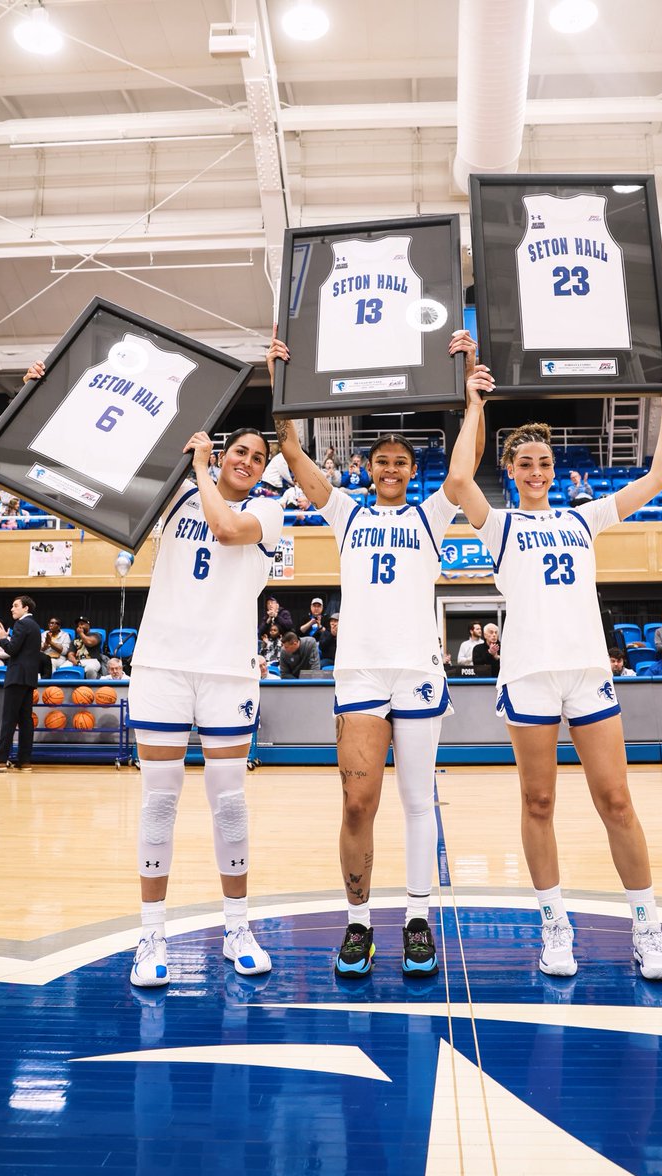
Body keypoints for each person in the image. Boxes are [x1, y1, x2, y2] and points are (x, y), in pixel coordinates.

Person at [446, 352, 662, 982]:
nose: (535, 471)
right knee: (539, 799)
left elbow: (659, 475)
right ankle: (554, 922)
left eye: (544, 463)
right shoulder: (496, 525)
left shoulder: (586, 517)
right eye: (524, 464)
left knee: (615, 799)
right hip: (529, 675)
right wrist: (474, 403)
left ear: (556, 470)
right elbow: (455, 484)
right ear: (510, 471)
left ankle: (647, 926)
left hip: (586, 672)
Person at [269, 328, 481, 979]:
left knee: (419, 801)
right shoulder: (348, 515)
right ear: (369, 469)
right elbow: (295, 456)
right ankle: (358, 925)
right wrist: (279, 381)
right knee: (358, 803)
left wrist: (473, 395)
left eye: (400, 463)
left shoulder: (429, 517)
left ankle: (417, 920)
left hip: (416, 670)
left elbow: (463, 472)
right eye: (381, 462)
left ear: (411, 473)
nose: (390, 470)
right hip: (360, 671)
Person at [125, 426, 282, 987]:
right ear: (223, 454)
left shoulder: (270, 511)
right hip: (163, 666)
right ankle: (152, 934)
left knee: (230, 803)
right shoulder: (173, 494)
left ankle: (236, 928)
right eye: (239, 451)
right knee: (159, 803)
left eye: (258, 457)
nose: (247, 461)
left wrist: (201, 470)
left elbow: (224, 526)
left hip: (227, 671)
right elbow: (103, 483)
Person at [0, 595, 42, 773]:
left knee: (9, 720)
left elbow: (12, 649)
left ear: (26, 608)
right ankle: (25, 760)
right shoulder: (35, 626)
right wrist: (5, 639)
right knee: (25, 720)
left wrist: (4, 638)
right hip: (28, 678)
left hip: (17, 676)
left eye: (15, 606)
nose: (12, 609)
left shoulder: (21, 624)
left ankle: (0, 760)